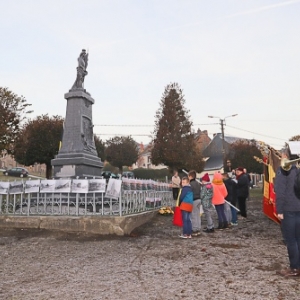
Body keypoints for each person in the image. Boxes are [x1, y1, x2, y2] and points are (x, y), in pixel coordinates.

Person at [275, 151, 300, 277]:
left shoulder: (283, 170)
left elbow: (280, 192)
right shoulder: (298, 170)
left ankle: (295, 268)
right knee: (298, 239)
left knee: (291, 240)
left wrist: (279, 210)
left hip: (288, 209)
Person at [188, 170, 202, 236]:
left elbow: (189, 193)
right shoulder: (197, 183)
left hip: (194, 200)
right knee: (197, 214)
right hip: (199, 199)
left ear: (190, 176)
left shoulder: (190, 184)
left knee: (193, 215)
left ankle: (194, 229)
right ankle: (198, 228)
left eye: (188, 176)